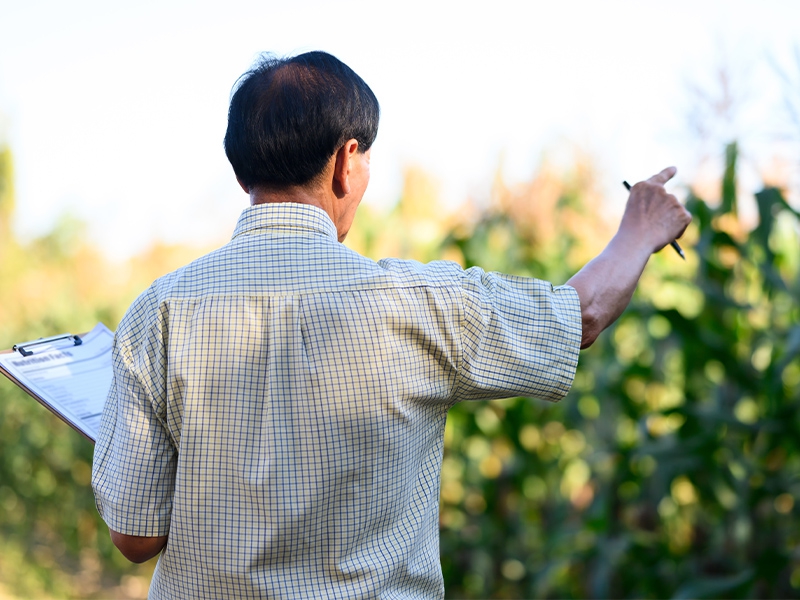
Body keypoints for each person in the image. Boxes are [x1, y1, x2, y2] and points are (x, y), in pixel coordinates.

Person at [91, 50, 691, 598]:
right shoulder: (420, 303)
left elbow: (135, 539)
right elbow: (579, 314)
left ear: (242, 170)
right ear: (345, 162)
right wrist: (639, 230)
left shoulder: (157, 313)